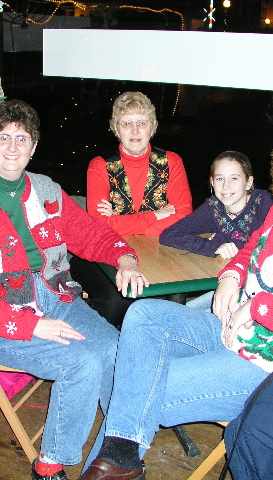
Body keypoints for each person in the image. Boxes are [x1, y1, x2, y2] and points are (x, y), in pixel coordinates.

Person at [79, 123, 273, 480]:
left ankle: (117, 461)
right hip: (231, 329)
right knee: (144, 314)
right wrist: (230, 276)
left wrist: (259, 307)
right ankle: (124, 460)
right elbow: (252, 247)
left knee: (134, 385)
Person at [0, 99, 148, 480]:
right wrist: (32, 325)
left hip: (58, 296)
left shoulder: (45, 190)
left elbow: (87, 231)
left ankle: (116, 451)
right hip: (4, 317)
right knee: (81, 363)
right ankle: (49, 466)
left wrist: (125, 258)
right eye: (3, 137)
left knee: (115, 350)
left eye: (22, 138)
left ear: (33, 147)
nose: (13, 147)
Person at [70, 91, 193, 328]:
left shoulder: (171, 162)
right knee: (117, 302)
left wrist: (120, 222)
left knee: (171, 299)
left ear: (152, 127)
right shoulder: (100, 166)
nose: (134, 130)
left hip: (157, 254)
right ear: (116, 129)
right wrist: (156, 216)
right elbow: (98, 226)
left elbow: (183, 217)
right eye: (126, 123)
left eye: (141, 122)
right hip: (101, 254)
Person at [159, 150, 273, 259]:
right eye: (219, 179)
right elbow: (169, 235)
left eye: (234, 178)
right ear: (212, 182)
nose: (226, 186)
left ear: (249, 183)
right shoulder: (214, 208)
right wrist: (213, 246)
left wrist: (221, 238)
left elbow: (272, 246)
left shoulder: (264, 203)